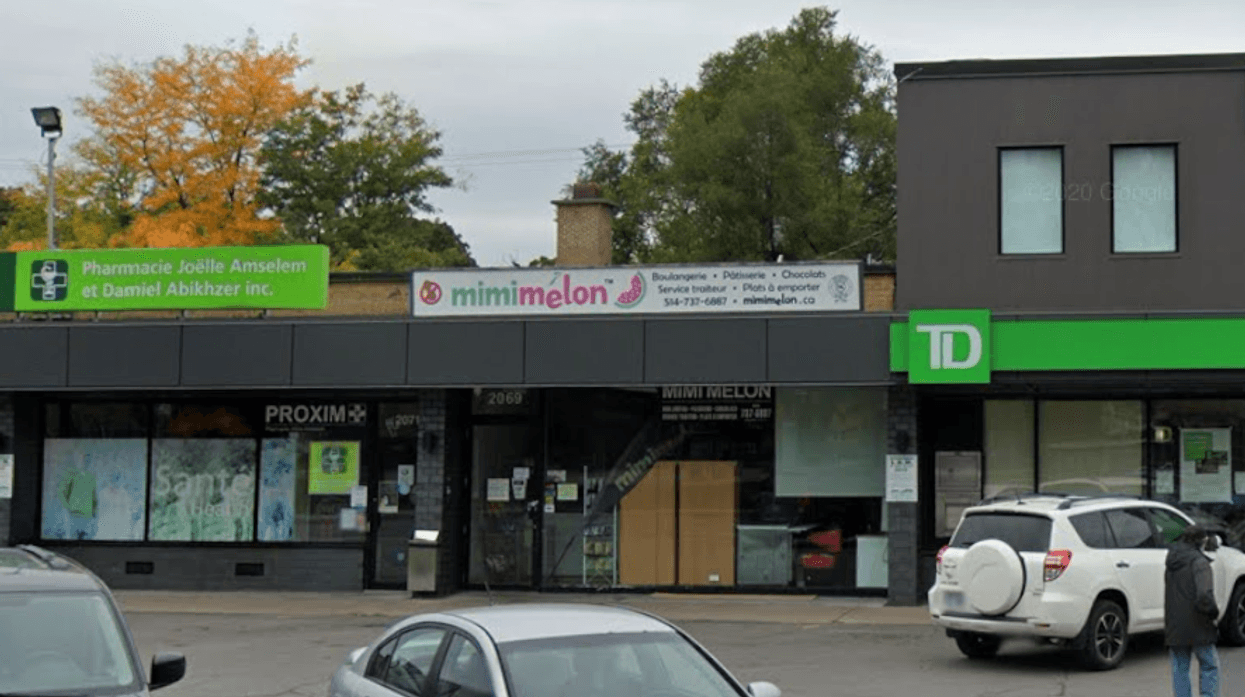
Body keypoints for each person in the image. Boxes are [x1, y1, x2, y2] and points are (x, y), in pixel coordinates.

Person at [1165, 524, 1220, 697]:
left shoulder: (1172, 561)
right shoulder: (1200, 562)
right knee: (1210, 665)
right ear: (1200, 541)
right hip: (1199, 622)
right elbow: (1204, 595)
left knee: (1180, 669)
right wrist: (1213, 614)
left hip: (1175, 624)